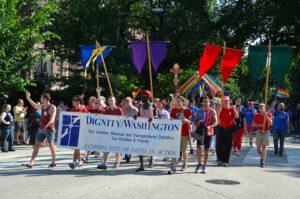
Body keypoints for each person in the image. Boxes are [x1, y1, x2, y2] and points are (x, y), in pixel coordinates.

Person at [23, 92, 57, 168]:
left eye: (41, 98)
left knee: (51, 145)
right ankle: (31, 162)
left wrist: (46, 127)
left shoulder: (52, 107)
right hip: (41, 129)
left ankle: (53, 162)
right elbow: (34, 105)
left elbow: (52, 120)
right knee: (36, 145)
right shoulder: (42, 106)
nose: (40, 99)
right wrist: (28, 97)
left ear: (45, 99)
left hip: (50, 129)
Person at [97, 96, 123, 170]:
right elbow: (104, 120)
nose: (110, 102)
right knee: (106, 147)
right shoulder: (107, 110)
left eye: (112, 100)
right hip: (108, 132)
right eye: (109, 101)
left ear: (115, 101)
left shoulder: (119, 110)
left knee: (116, 148)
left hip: (116, 132)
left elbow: (121, 121)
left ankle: (117, 162)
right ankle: (104, 163)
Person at [194, 96, 218, 174]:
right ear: (202, 102)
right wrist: (197, 122)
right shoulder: (198, 111)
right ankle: (199, 164)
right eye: (204, 101)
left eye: (207, 102)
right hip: (199, 131)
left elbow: (216, 122)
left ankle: (204, 165)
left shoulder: (212, 111)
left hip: (208, 131)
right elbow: (195, 121)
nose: (205, 103)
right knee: (198, 148)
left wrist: (210, 126)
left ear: (209, 103)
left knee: (206, 149)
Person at [168, 96, 192, 174]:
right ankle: (173, 166)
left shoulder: (187, 110)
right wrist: (171, 119)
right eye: (177, 102)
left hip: (184, 133)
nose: (178, 103)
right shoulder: (174, 110)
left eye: (179, 102)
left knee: (184, 151)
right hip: (175, 134)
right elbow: (171, 120)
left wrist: (186, 120)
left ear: (183, 102)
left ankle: (185, 163)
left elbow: (191, 122)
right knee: (174, 150)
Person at [136, 90, 156, 172]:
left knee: (150, 146)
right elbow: (138, 116)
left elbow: (156, 115)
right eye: (142, 95)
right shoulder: (140, 105)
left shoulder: (152, 105)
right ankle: (141, 165)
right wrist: (132, 118)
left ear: (148, 97)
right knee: (140, 147)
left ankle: (151, 161)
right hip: (141, 130)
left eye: (144, 95)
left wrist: (153, 118)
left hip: (150, 130)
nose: (142, 97)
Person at [68, 95, 89, 169]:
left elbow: (88, 118)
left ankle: (74, 162)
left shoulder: (84, 109)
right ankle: (80, 161)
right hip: (74, 130)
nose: (72, 101)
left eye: (74, 100)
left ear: (78, 101)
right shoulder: (72, 109)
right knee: (77, 147)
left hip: (82, 131)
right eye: (73, 100)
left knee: (76, 147)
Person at [217, 96, 238, 167]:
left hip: (230, 129)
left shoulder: (232, 109)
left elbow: (236, 117)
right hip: (222, 128)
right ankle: (220, 160)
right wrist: (218, 111)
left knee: (228, 146)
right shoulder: (221, 109)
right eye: (224, 101)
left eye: (227, 101)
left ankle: (226, 161)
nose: (226, 102)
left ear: (229, 101)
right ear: (222, 102)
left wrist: (235, 110)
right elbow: (218, 119)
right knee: (220, 145)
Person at [252, 103, 272, 167]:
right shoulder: (256, 115)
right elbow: (253, 124)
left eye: (262, 107)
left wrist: (266, 116)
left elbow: (270, 123)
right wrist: (260, 125)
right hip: (259, 131)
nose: (261, 108)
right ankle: (263, 157)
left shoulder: (268, 114)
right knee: (258, 148)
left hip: (266, 131)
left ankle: (262, 161)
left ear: (264, 108)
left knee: (264, 146)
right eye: (260, 107)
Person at [123, 96, 139, 162]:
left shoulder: (135, 109)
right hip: (125, 128)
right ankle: (127, 154)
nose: (126, 102)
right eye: (125, 101)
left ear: (131, 102)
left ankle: (129, 154)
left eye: (128, 101)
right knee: (126, 142)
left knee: (131, 142)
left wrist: (131, 117)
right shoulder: (124, 109)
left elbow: (138, 119)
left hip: (133, 128)